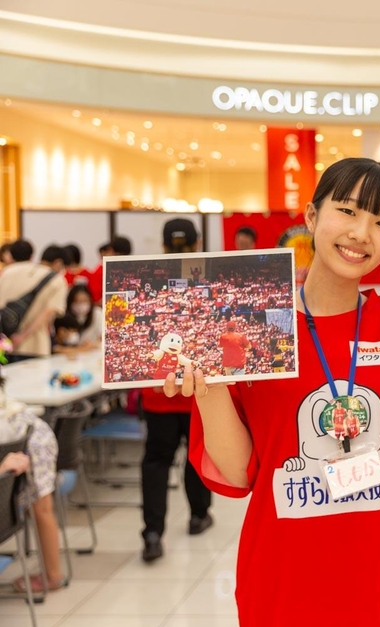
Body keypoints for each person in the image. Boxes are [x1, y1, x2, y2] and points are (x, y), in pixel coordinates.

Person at [164, 158, 380, 626]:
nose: (361, 233)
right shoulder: (250, 330)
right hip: (287, 571)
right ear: (311, 216)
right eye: (347, 211)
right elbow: (239, 472)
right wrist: (209, 388)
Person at [139, 218, 213, 563]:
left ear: (164, 245)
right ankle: (199, 515)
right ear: (197, 244)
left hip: (158, 394)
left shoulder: (148, 286)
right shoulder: (207, 285)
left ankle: (153, 533)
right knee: (196, 457)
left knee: (156, 462)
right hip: (195, 393)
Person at [0, 399, 66, 593]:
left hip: (32, 442)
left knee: (42, 510)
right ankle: (52, 574)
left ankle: (52, 576)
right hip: (32, 434)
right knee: (41, 509)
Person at [0, 243, 69, 361]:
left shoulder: (5, 273)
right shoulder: (56, 280)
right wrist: (21, 337)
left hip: (4, 346)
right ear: (58, 263)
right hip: (35, 346)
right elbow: (48, 313)